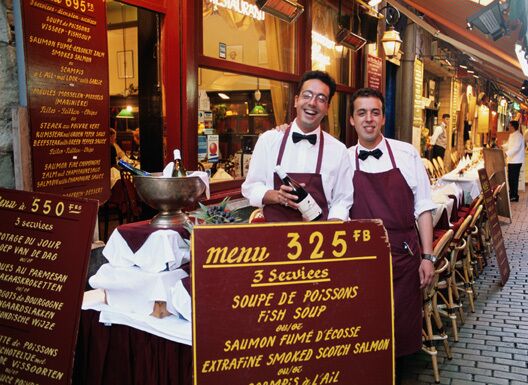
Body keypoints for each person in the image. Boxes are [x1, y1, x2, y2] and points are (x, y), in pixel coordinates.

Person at [348, 88, 436, 376]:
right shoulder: (343, 159)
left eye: (374, 112)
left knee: (398, 324)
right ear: (352, 120)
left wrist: (427, 256)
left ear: (383, 118)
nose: (368, 119)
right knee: (364, 322)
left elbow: (423, 207)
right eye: (362, 113)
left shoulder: (406, 153)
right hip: (360, 261)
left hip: (403, 257)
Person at [241, 70, 353, 222]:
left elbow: (342, 200)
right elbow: (250, 187)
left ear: (327, 108)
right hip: (273, 236)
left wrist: (332, 227)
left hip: (319, 238)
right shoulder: (269, 140)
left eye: (321, 99)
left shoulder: (338, 150)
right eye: (307, 95)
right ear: (296, 100)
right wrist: (277, 196)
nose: (312, 103)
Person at [504, 120, 525, 202]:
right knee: (510, 178)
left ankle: (515, 196)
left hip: (516, 161)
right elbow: (509, 145)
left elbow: (516, 148)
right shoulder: (511, 135)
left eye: (509, 125)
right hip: (511, 160)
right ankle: (511, 193)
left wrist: (506, 153)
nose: (508, 127)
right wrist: (502, 146)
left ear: (513, 127)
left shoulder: (519, 136)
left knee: (514, 178)